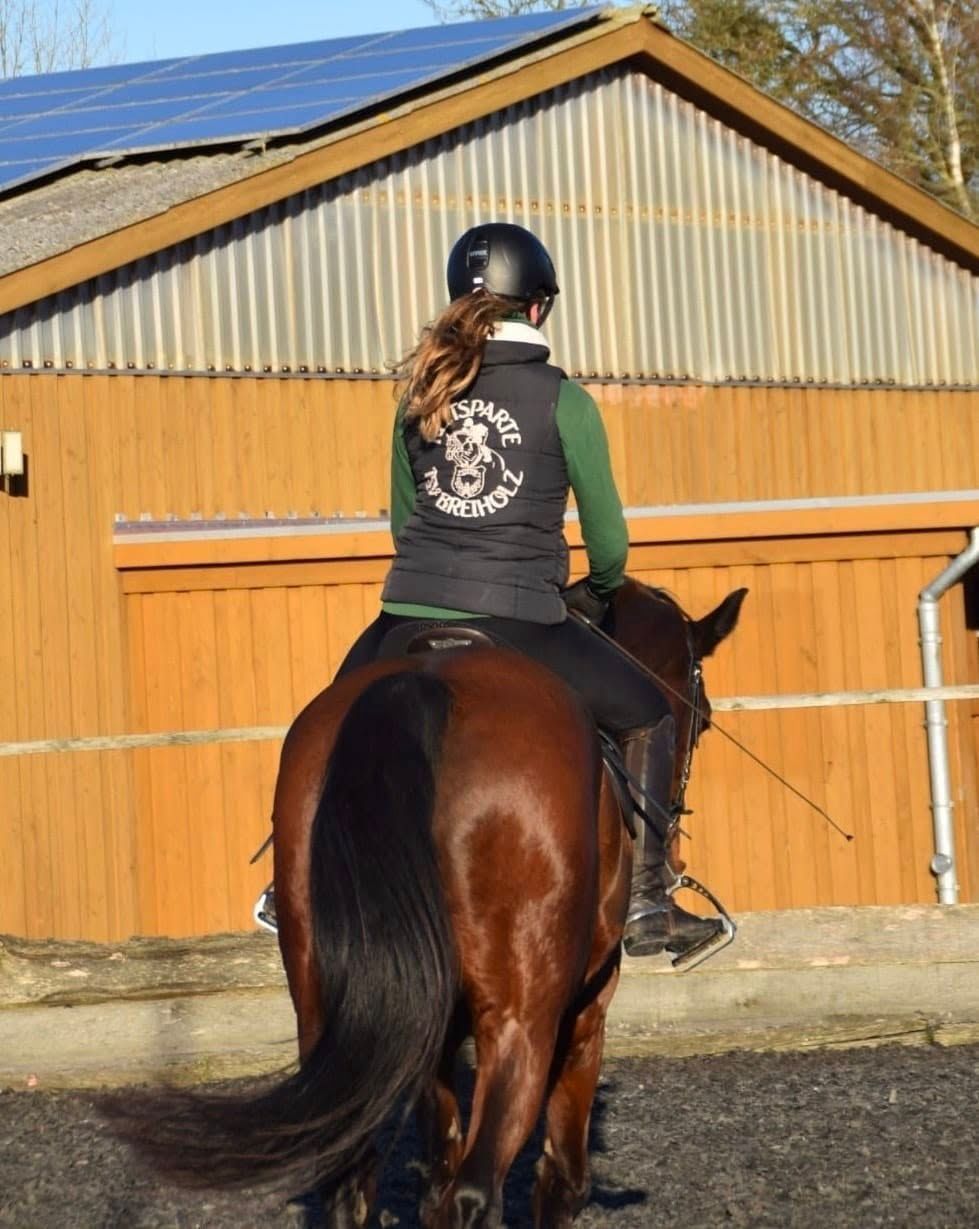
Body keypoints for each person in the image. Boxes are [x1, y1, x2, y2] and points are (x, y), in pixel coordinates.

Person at [257, 222, 718, 959]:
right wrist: (599, 593)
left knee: (328, 722)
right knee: (648, 716)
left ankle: (293, 883)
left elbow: (405, 523)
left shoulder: (421, 393)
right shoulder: (564, 401)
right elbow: (608, 543)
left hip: (406, 612)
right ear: (536, 307)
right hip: (522, 616)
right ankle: (646, 902)